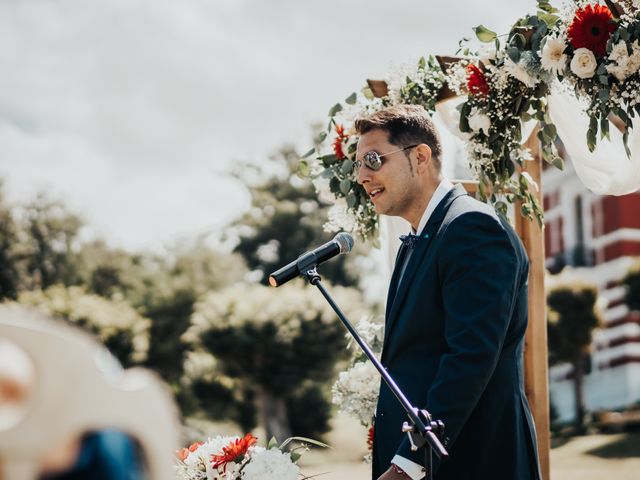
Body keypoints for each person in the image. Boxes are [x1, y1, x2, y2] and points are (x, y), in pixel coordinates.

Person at [354, 105, 541, 480]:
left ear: (420, 157)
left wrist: (410, 462)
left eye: (372, 160)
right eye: (357, 165)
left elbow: (470, 356)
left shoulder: (472, 227)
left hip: (476, 459)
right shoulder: (417, 242)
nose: (361, 176)